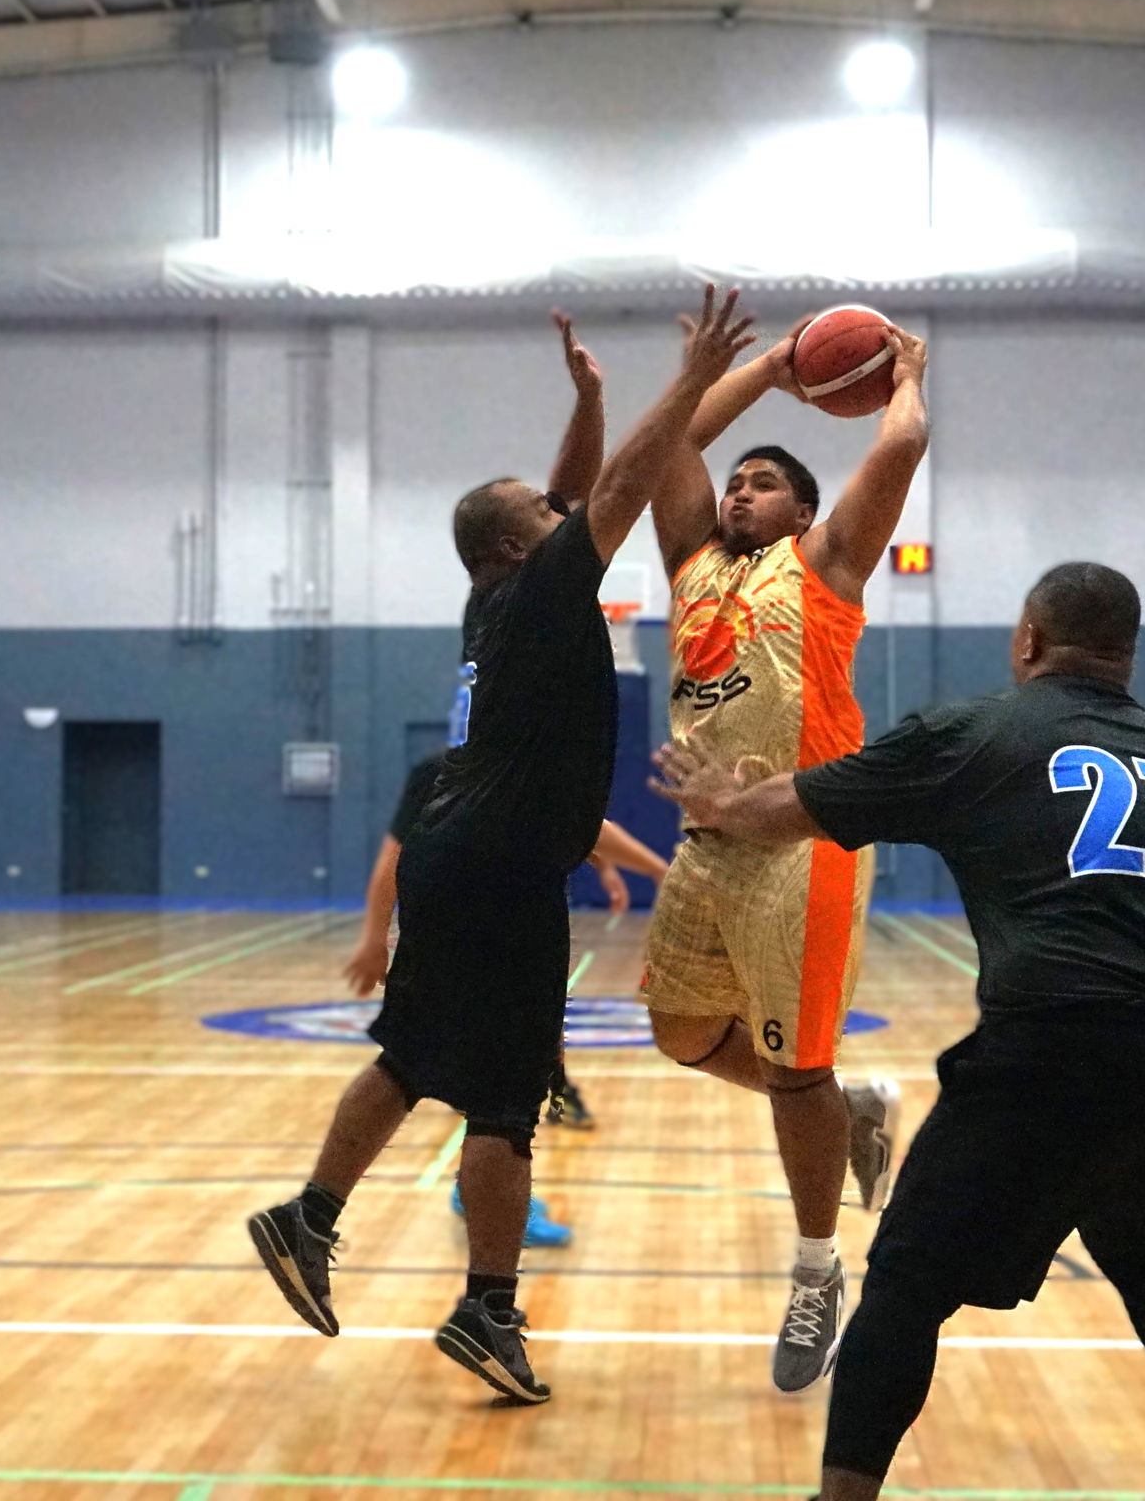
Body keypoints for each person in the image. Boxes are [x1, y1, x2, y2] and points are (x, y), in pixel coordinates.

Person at [654, 562, 1145, 1501]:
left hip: (1062, 1039)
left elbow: (796, 808)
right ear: (1125, 655)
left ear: (1028, 640)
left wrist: (719, 804)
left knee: (906, 1281)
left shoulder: (979, 731)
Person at [247, 286, 757, 1406]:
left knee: (409, 1054)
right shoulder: (538, 591)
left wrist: (590, 401)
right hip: (503, 868)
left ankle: (308, 1216)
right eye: (539, 507)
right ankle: (487, 1308)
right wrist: (689, 383)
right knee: (505, 1102)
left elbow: (571, 491)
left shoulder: (499, 594)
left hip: (456, 854)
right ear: (518, 540)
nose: (557, 505)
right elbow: (611, 492)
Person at [639, 315, 930, 1393]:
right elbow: (675, 442)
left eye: (763, 483)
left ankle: (817, 1270)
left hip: (807, 840)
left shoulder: (826, 566)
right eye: (737, 481)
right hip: (707, 841)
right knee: (680, 1032)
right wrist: (766, 368)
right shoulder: (692, 567)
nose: (738, 491)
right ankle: (850, 1109)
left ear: (802, 512)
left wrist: (903, 378)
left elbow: (901, 446)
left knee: (794, 1069)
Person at [343, 745, 673, 1132]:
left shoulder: (526, 775)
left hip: (500, 930)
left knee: (532, 1023)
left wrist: (616, 869)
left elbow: (587, 830)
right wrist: (374, 939)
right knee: (428, 1055)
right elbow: (393, 859)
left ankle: (549, 1095)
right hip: (466, 932)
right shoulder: (458, 775)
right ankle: (519, 1097)